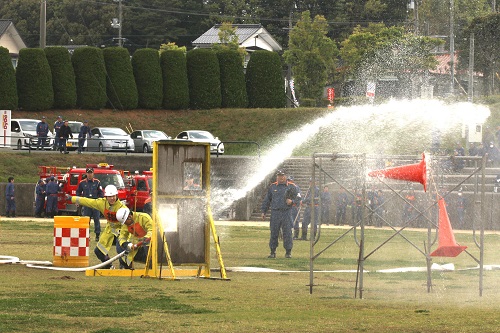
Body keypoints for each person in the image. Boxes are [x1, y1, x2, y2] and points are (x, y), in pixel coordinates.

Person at [66, 184, 127, 269]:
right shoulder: (102, 203)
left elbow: (128, 223)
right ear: (106, 197)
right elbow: (88, 201)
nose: (112, 198)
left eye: (113, 196)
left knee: (121, 248)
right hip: (109, 231)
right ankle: (108, 266)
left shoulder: (122, 208)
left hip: (122, 231)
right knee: (98, 251)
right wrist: (72, 198)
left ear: (116, 195)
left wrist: (123, 233)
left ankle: (125, 266)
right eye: (110, 196)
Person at [261, 169, 298, 258]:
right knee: (274, 232)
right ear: (277, 177)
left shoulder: (292, 187)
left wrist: (292, 201)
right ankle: (272, 252)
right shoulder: (272, 187)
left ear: (285, 176)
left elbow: (299, 198)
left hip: (286, 212)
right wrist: (263, 211)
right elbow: (267, 200)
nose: (281, 178)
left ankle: (288, 252)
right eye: (279, 176)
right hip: (275, 213)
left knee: (287, 233)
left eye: (282, 176)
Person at [76, 167, 104, 241]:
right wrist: (77, 201)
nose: (89, 174)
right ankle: (86, 235)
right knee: (86, 220)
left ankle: (97, 235)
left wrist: (101, 201)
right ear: (86, 174)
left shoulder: (97, 182)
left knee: (96, 219)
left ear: (93, 173)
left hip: (95, 203)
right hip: (87, 203)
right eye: (88, 173)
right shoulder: (82, 183)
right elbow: (78, 192)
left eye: (91, 173)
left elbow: (101, 193)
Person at [288, 176, 302, 240]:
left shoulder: (296, 188)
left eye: (290, 180)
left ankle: (296, 235)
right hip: (287, 207)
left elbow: (299, 197)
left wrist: (293, 201)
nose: (288, 182)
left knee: (295, 221)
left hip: (294, 206)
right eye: (288, 180)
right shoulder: (285, 187)